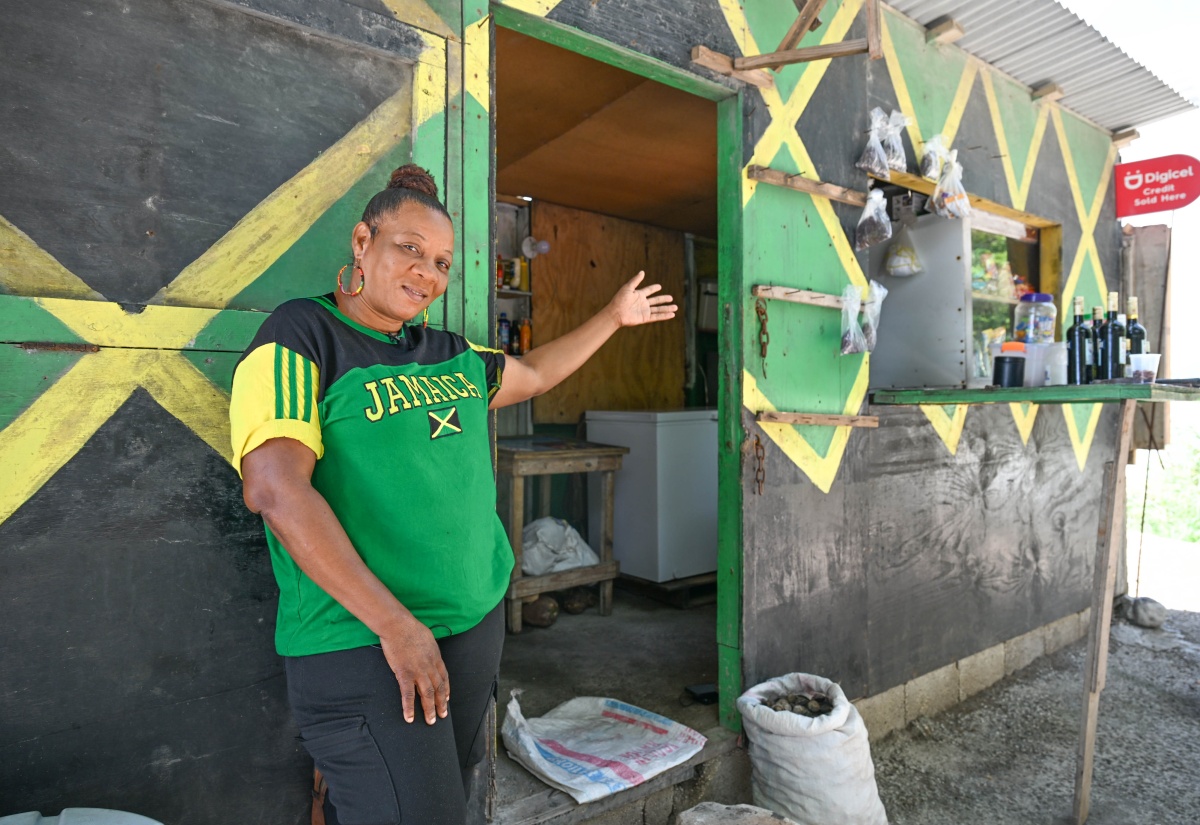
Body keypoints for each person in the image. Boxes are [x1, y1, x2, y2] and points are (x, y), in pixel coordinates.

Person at [229, 164, 676, 824]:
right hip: (365, 639)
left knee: (451, 788)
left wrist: (613, 316)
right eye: (409, 248)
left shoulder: (451, 352)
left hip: (470, 628)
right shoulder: (303, 333)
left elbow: (534, 373)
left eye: (441, 261)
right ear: (362, 242)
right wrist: (396, 626)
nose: (427, 272)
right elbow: (274, 488)